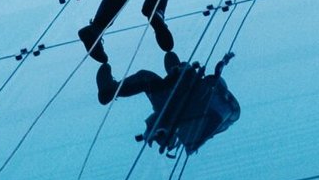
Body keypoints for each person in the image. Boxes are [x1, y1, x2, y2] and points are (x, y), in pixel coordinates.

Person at [94, 46, 240, 156]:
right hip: (176, 103)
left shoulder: (211, 98)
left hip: (174, 103)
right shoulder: (217, 107)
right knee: (150, 78)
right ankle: (110, 91)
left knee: (146, 78)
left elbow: (203, 122)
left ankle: (110, 91)